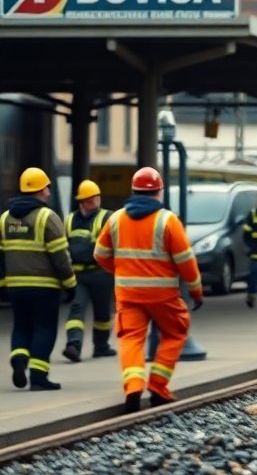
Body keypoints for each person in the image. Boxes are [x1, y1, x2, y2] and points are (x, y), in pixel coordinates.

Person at [93, 167, 204, 412]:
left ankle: (133, 387)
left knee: (131, 338)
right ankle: (157, 385)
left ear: (133, 191)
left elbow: (99, 255)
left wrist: (121, 270)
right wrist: (196, 291)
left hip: (128, 294)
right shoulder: (167, 220)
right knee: (175, 332)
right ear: (159, 192)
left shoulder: (116, 219)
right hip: (162, 295)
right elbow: (186, 261)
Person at [1, 167, 76, 391]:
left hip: (16, 286)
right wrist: (70, 284)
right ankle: (39, 377)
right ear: (42, 189)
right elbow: (60, 257)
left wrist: (3, 284)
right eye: (47, 188)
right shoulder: (47, 218)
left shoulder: (4, 218)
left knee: (22, 326)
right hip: (44, 286)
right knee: (44, 328)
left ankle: (19, 357)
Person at [61, 180, 116, 362]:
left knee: (102, 314)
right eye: (91, 199)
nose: (95, 201)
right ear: (82, 201)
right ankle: (73, 345)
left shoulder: (107, 217)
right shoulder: (69, 220)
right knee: (76, 309)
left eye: (96, 198)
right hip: (79, 274)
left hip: (101, 273)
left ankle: (101, 346)